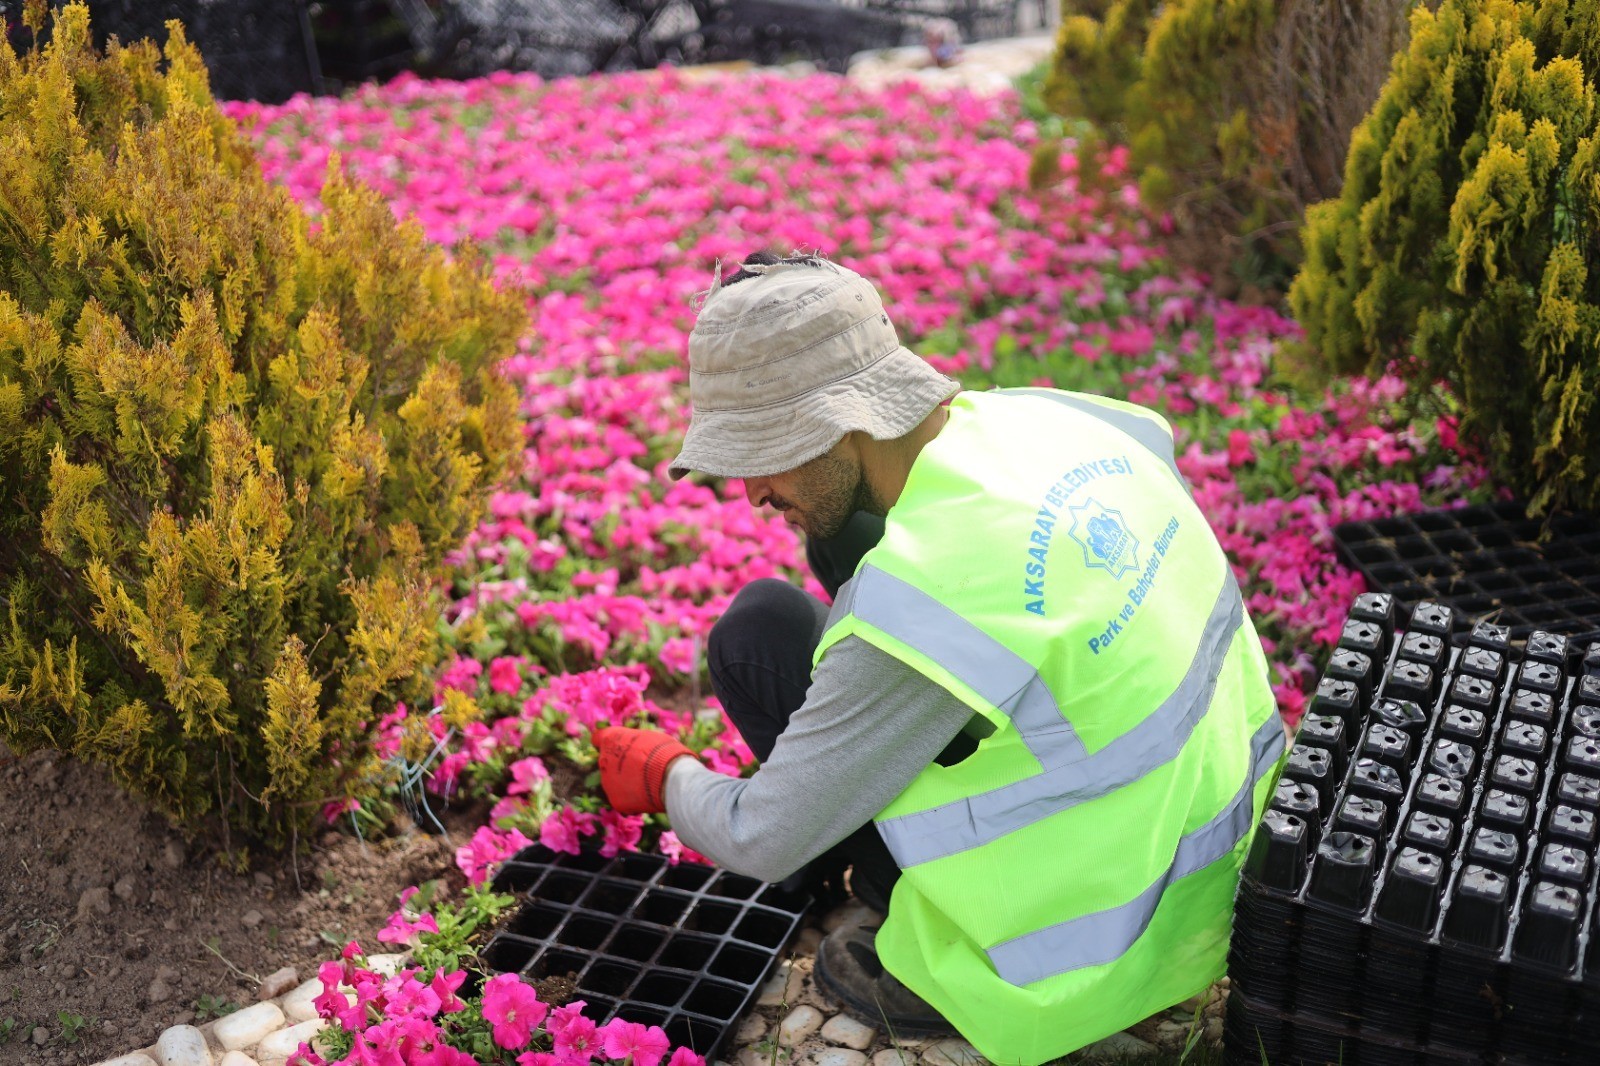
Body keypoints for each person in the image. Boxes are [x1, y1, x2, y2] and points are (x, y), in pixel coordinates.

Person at [593, 252, 1286, 1064]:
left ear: (840, 419)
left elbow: (763, 838)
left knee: (758, 633)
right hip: (1218, 865)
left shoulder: (931, 600)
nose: (750, 492)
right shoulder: (1058, 420)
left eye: (761, 454)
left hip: (1090, 948)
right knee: (833, 547)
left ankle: (933, 954)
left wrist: (663, 773)